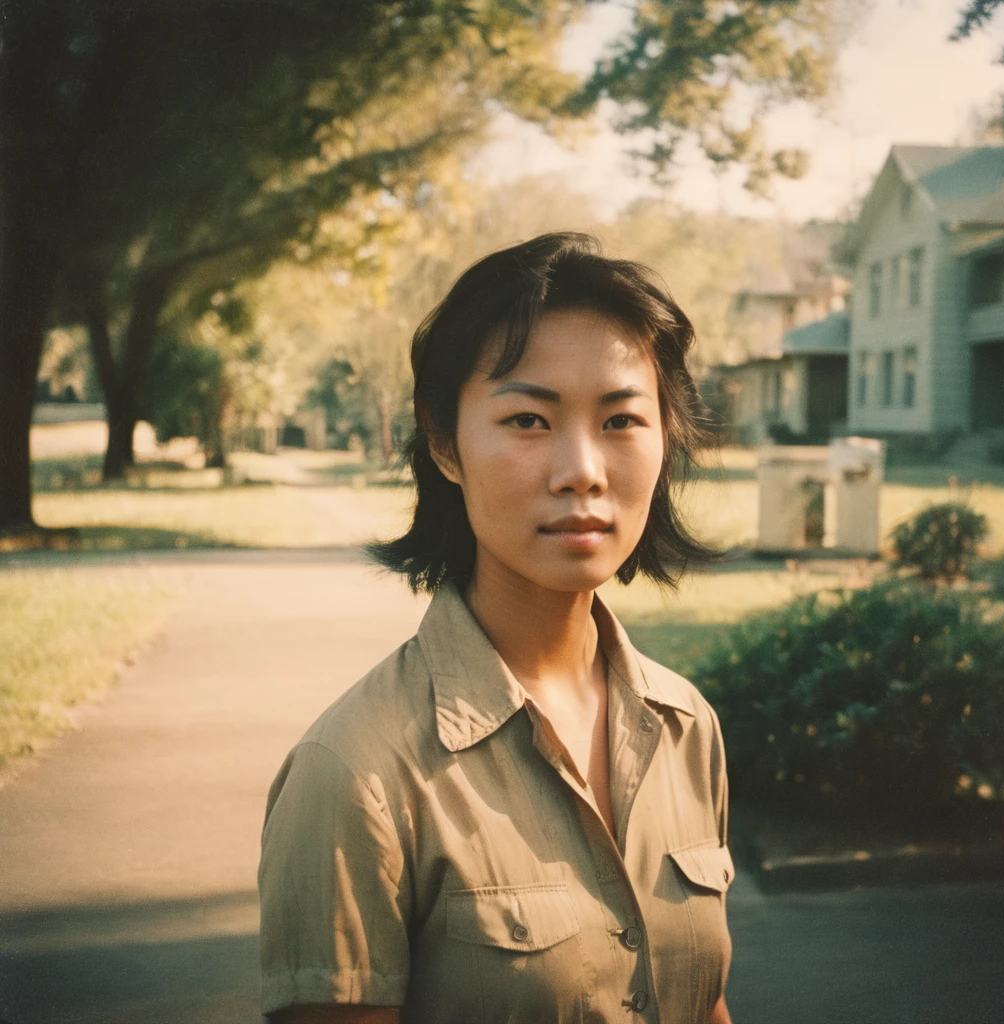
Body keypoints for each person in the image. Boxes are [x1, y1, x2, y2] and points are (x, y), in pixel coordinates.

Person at [258, 231, 734, 1024]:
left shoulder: (687, 726)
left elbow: (704, 1000)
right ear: (445, 444)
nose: (582, 468)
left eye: (621, 420)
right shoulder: (355, 773)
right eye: (527, 420)